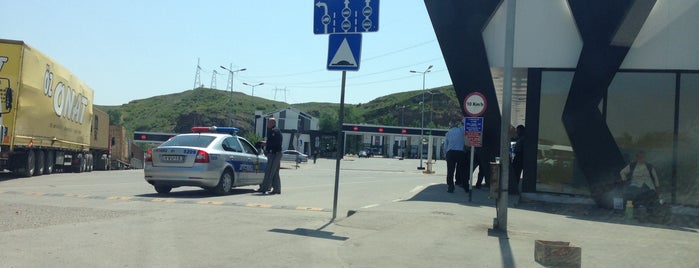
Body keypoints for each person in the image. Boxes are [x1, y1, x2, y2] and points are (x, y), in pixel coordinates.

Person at [257, 118, 283, 195]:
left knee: (269, 171)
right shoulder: (277, 130)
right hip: (277, 153)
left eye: (269, 122)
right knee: (275, 172)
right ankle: (277, 189)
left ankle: (264, 188)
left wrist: (262, 143)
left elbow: (272, 143)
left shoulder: (273, 131)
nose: (267, 124)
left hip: (274, 154)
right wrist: (263, 143)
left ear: (272, 123)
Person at [444, 120, 467, 193]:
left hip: (450, 153)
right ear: (457, 125)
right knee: (462, 170)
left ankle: (450, 186)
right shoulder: (461, 130)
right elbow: (466, 123)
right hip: (460, 152)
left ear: (451, 125)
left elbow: (445, 146)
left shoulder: (448, 133)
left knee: (450, 171)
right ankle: (465, 186)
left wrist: (445, 154)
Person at [509, 125, 525, 195]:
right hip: (517, 156)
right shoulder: (519, 138)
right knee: (515, 173)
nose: (516, 132)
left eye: (517, 130)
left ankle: (514, 189)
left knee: (516, 173)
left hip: (519, 157)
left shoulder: (523, 139)